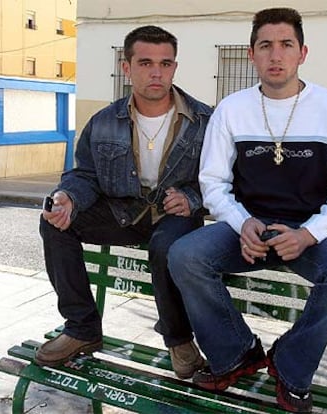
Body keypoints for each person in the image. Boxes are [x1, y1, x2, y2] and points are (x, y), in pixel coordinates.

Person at [168, 7, 327, 413]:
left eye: (286, 45)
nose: (276, 55)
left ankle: (290, 362)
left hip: (312, 229)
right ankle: (237, 352)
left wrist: (309, 234)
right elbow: (213, 183)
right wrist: (242, 223)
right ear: (252, 54)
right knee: (185, 255)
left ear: (303, 52)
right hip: (247, 225)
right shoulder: (232, 108)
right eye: (266, 46)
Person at [35, 25, 212, 380]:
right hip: (123, 213)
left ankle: (179, 340)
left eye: (165, 63)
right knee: (53, 222)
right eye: (145, 63)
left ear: (175, 67)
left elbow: (222, 178)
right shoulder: (103, 122)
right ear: (127, 67)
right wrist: (68, 197)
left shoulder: (206, 120)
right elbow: (84, 174)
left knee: (165, 247)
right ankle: (81, 327)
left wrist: (193, 198)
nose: (156, 72)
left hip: (175, 217)